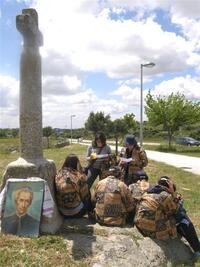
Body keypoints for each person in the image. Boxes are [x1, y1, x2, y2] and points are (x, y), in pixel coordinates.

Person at [134, 176, 200, 258]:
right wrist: (173, 194)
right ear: (169, 185)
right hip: (153, 231)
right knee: (183, 218)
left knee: (178, 214)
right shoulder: (165, 196)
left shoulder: (148, 190)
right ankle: (197, 249)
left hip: (140, 225)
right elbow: (175, 211)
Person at [55, 153, 92, 218]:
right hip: (77, 213)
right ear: (77, 163)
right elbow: (85, 196)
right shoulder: (79, 176)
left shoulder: (58, 174)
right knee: (86, 190)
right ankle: (90, 211)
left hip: (62, 211)